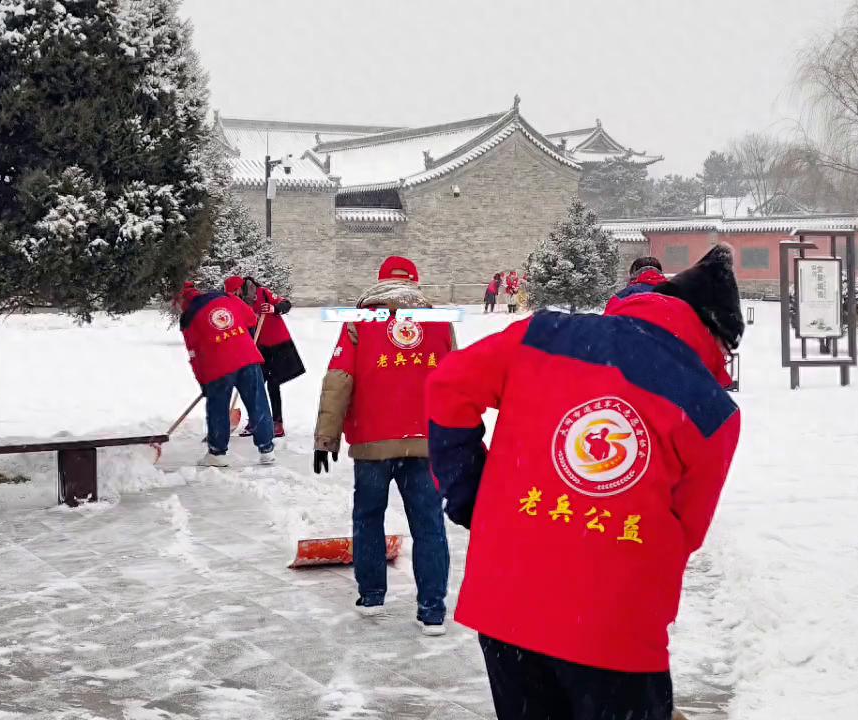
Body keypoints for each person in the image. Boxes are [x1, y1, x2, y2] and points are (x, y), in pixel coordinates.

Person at [426, 244, 744, 720]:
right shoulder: (712, 411)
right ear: (712, 331)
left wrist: (468, 489)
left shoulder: (544, 334)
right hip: (617, 633)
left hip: (507, 607)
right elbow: (686, 530)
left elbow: (449, 385)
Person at [313, 255, 454, 636]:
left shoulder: (360, 322)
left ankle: (372, 596)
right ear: (414, 283)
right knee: (429, 525)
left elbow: (339, 378)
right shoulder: (439, 322)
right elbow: (455, 380)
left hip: (372, 442)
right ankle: (432, 612)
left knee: (368, 519)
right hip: (424, 443)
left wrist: (325, 438)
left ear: (379, 284)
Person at [179, 284, 276, 467]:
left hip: (218, 366)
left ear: (181, 300)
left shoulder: (189, 318)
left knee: (218, 408)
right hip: (247, 357)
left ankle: (217, 453)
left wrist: (203, 382)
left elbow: (194, 355)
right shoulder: (226, 297)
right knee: (257, 402)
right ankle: (267, 449)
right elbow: (251, 319)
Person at [224, 276, 305, 439]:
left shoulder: (263, 293)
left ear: (239, 289)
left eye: (233, 293)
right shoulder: (237, 303)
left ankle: (277, 423)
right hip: (258, 346)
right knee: (254, 384)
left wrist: (274, 308)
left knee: (273, 384)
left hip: (278, 345)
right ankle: (256, 420)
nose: (232, 296)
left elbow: (285, 304)